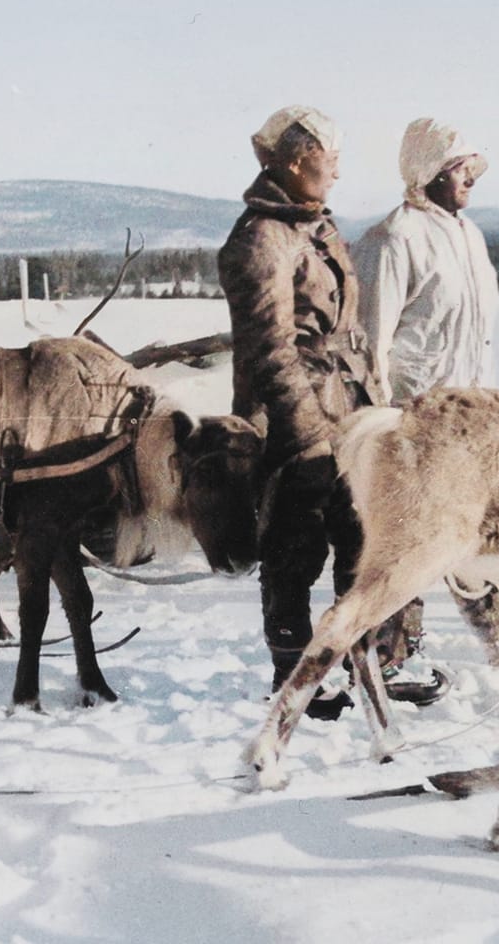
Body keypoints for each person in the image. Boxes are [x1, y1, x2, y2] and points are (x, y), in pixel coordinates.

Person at [219, 106, 388, 719]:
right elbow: (269, 353)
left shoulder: (315, 225)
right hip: (293, 417)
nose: (338, 171)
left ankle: (356, 662)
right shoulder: (259, 240)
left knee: (358, 537)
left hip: (345, 407)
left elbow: (345, 327)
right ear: (295, 160)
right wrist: (309, 436)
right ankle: (295, 677)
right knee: (295, 545)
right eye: (330, 157)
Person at [354, 118, 499, 679]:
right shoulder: (394, 238)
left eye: (473, 166)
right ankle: (391, 656)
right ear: (429, 171)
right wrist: (385, 414)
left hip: (472, 413)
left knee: (477, 526)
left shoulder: (468, 235)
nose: (471, 177)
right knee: (411, 534)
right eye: (459, 167)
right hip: (416, 414)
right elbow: (371, 338)